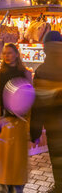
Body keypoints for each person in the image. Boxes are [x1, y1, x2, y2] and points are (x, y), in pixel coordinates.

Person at [0, 43, 32, 192]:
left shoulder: (26, 73)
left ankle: (17, 189)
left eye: (9, 53)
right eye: (4, 53)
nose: (6, 56)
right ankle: (2, 189)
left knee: (17, 161)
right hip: (3, 120)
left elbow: (30, 97)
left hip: (20, 122)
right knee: (3, 160)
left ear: (16, 54)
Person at [31, 31, 62, 189]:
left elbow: (39, 105)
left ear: (44, 48)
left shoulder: (42, 71)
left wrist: (34, 132)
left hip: (55, 129)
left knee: (58, 162)